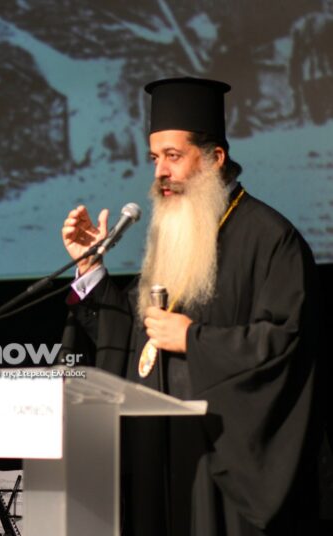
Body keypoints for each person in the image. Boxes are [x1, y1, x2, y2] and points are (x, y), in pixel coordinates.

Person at [60, 77, 324, 535]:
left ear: (215, 158)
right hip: (158, 450)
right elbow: (136, 336)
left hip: (221, 461)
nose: (160, 172)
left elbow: (287, 344)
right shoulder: (175, 232)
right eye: (154, 159)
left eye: (173, 156)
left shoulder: (271, 239)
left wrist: (193, 339)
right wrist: (89, 268)